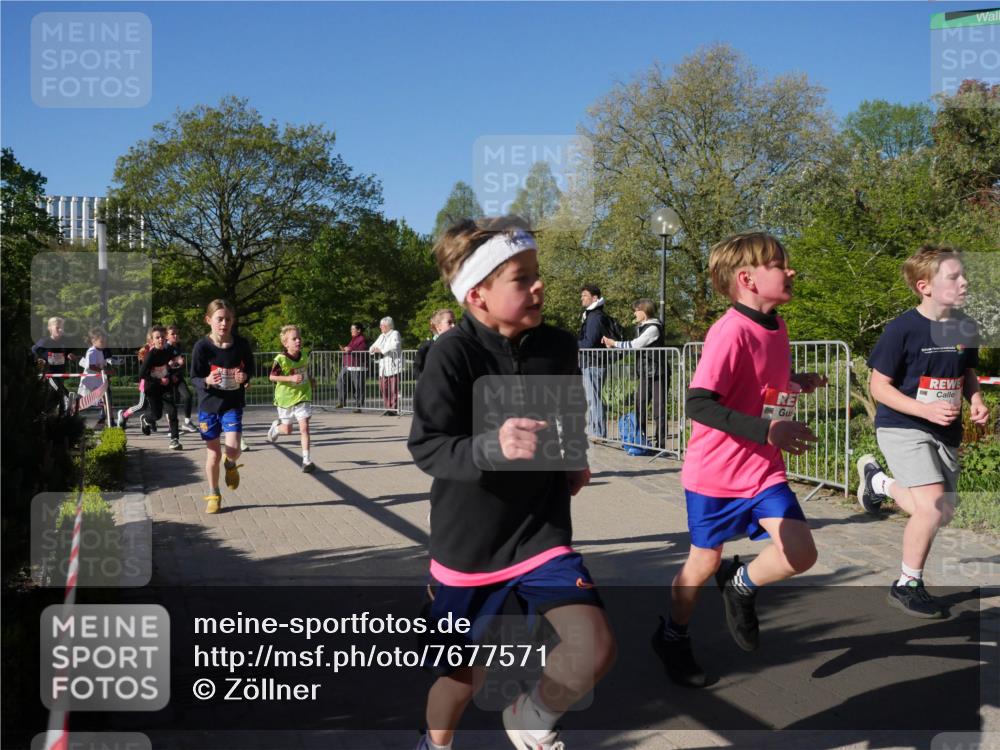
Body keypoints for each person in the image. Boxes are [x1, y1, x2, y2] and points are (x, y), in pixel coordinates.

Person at [408, 218, 615, 750]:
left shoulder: (558, 346)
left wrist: (574, 458)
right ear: (476, 295)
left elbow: (570, 408)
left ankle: (531, 716)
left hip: (541, 533)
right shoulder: (451, 355)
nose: (539, 285)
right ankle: (435, 745)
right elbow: (427, 446)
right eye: (521, 279)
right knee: (462, 679)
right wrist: (488, 447)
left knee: (594, 647)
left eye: (536, 273)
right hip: (469, 548)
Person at [654, 231, 826, 689]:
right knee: (702, 565)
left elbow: (759, 384)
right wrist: (768, 429)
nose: (790, 270)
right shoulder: (729, 331)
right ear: (748, 279)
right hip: (715, 475)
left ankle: (741, 584)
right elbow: (699, 403)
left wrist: (796, 381)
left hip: (763, 469)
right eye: (780, 265)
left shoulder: (777, 326)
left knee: (801, 553)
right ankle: (672, 636)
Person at [857, 246, 989, 618]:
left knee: (940, 511)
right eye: (953, 277)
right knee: (931, 507)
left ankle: (879, 484)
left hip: (944, 430)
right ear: (924, 286)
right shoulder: (902, 329)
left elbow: (966, 372)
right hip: (903, 425)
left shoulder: (965, 326)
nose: (964, 282)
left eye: (964, 275)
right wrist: (924, 409)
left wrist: (976, 400)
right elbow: (879, 387)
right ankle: (907, 584)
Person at [190, 299, 253, 514]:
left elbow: (250, 368)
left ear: (233, 320)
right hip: (209, 406)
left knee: (233, 449)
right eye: (219, 319)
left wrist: (245, 377)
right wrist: (207, 380)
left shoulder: (241, 344)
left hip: (232, 404)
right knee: (213, 454)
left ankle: (231, 463)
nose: (224, 323)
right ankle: (214, 494)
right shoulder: (201, 347)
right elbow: (194, 377)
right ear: (208, 320)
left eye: (227, 319)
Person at [602, 299, 667, 448]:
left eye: (636, 310)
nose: (634, 313)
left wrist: (614, 343)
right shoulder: (642, 327)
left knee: (659, 409)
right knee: (640, 406)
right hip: (645, 372)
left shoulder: (653, 328)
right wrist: (614, 345)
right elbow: (632, 345)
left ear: (645, 311)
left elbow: (635, 345)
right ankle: (640, 441)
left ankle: (661, 445)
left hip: (658, 373)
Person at [266, 325, 316, 473]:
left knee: (304, 427)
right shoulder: (280, 359)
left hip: (303, 395)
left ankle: (306, 460)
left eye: (299, 338)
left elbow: (304, 370)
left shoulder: (304, 355)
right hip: (285, 398)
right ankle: (276, 428)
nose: (298, 341)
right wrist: (290, 378)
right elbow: (272, 377)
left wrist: (311, 379)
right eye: (294, 339)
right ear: (285, 343)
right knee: (287, 430)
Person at [137, 325, 183, 450]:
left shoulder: (168, 351)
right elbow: (142, 375)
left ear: (166, 337)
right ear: (152, 340)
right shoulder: (150, 355)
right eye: (157, 337)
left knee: (172, 411)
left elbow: (171, 366)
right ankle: (146, 419)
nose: (160, 339)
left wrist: (173, 374)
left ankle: (174, 439)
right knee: (157, 415)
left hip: (165, 386)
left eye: (162, 337)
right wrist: (159, 380)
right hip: (152, 388)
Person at [578, 284, 607, 438]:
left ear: (594, 298)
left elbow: (589, 343)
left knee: (593, 399)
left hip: (594, 363)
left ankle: (598, 433)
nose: (581, 298)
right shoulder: (591, 315)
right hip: (590, 362)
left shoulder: (595, 317)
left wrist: (571, 344)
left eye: (584, 295)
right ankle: (593, 431)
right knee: (591, 399)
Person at [33, 316, 79, 412]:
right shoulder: (44, 341)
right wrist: (39, 360)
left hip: (60, 373)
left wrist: (70, 355)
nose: (61, 329)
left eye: (62, 327)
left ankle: (46, 413)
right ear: (50, 328)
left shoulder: (65, 342)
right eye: (58, 327)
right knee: (59, 390)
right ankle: (68, 402)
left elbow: (69, 353)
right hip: (49, 374)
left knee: (54, 396)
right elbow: (33, 352)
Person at [166, 325, 198, 433]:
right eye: (172, 334)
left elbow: (178, 362)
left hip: (178, 377)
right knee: (171, 403)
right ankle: (171, 428)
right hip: (169, 379)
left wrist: (180, 363)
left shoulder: (178, 346)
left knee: (188, 396)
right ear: (167, 336)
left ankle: (187, 422)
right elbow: (164, 365)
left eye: (177, 333)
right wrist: (174, 365)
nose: (175, 336)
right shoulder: (165, 348)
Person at [78, 327, 113, 425]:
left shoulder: (100, 351)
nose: (104, 344)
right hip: (89, 380)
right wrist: (103, 371)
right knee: (82, 399)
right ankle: (72, 414)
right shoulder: (92, 351)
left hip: (98, 380)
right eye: (101, 342)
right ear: (93, 341)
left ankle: (109, 419)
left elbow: (102, 364)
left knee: (105, 398)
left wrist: (108, 370)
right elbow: (91, 366)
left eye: (105, 342)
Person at [369, 316, 402, 416]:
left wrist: (381, 350)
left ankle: (393, 409)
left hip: (393, 365)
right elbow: (372, 347)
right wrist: (374, 350)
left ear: (388, 326)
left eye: (382, 325)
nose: (380, 327)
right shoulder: (381, 336)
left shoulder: (395, 333)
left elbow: (394, 345)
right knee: (384, 388)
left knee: (393, 389)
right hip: (383, 366)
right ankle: (387, 408)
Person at [414, 308, 457, 379]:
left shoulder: (456, 345)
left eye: (454, 322)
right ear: (438, 326)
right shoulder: (427, 347)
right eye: (449, 322)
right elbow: (417, 369)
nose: (454, 325)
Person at [337, 323, 367, 412]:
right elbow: (350, 349)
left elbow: (363, 350)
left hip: (357, 366)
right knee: (340, 380)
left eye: (353, 329)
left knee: (358, 387)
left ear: (359, 330)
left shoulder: (362, 339)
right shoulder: (353, 339)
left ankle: (358, 406)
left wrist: (350, 349)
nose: (351, 331)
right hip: (347, 365)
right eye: (351, 329)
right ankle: (342, 401)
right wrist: (345, 349)